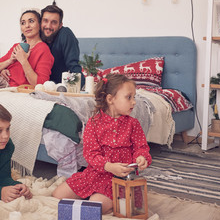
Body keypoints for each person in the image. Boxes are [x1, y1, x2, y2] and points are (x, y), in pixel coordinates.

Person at [52, 74, 152, 214]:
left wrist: (142, 157)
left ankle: (107, 200)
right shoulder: (94, 123)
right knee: (57, 196)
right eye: (129, 97)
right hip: (94, 174)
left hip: (119, 180)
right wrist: (108, 166)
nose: (134, 102)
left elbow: (141, 148)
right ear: (110, 99)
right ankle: (91, 197)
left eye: (134, 97)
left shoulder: (133, 124)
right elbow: (90, 154)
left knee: (95, 207)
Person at [40, 5, 85, 87]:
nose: (48, 26)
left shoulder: (65, 34)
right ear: (40, 22)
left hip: (60, 87)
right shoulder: (36, 36)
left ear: (60, 25)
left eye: (54, 22)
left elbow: (74, 67)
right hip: (38, 85)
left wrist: (78, 88)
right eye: (45, 21)